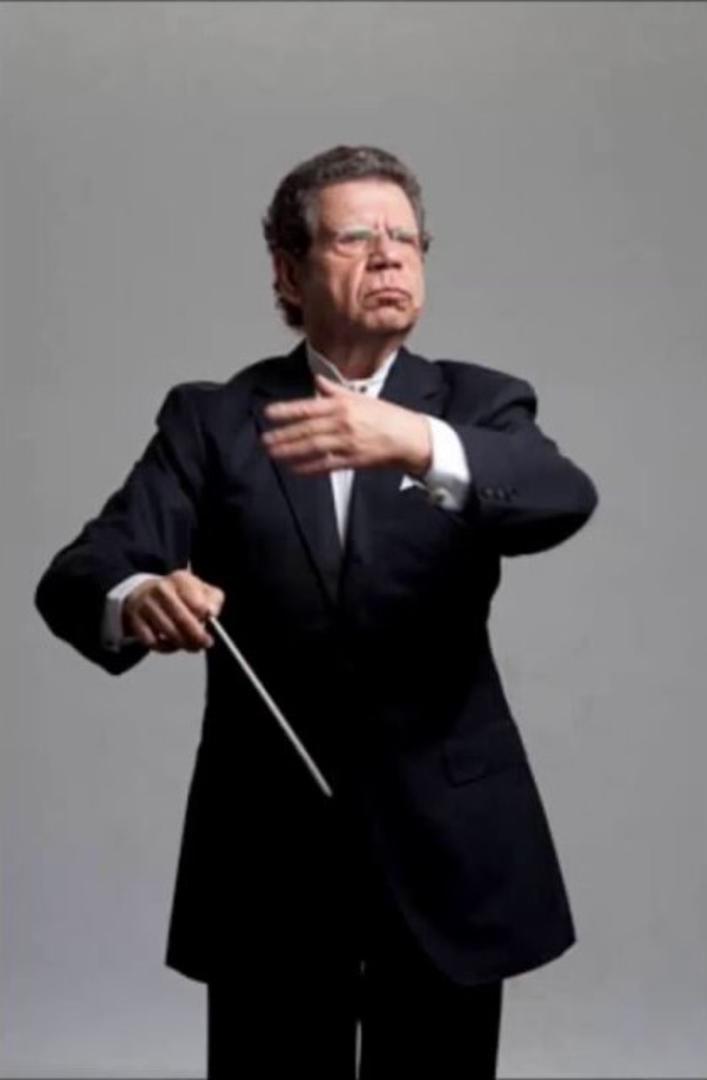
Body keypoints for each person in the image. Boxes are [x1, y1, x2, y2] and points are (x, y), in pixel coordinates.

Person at [35, 144, 598, 1079]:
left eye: (405, 238)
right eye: (355, 238)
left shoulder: (476, 404)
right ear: (289, 274)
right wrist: (138, 597)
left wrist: (414, 440)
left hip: (447, 848)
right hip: (267, 856)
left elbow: (559, 496)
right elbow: (80, 574)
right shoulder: (214, 419)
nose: (388, 256)